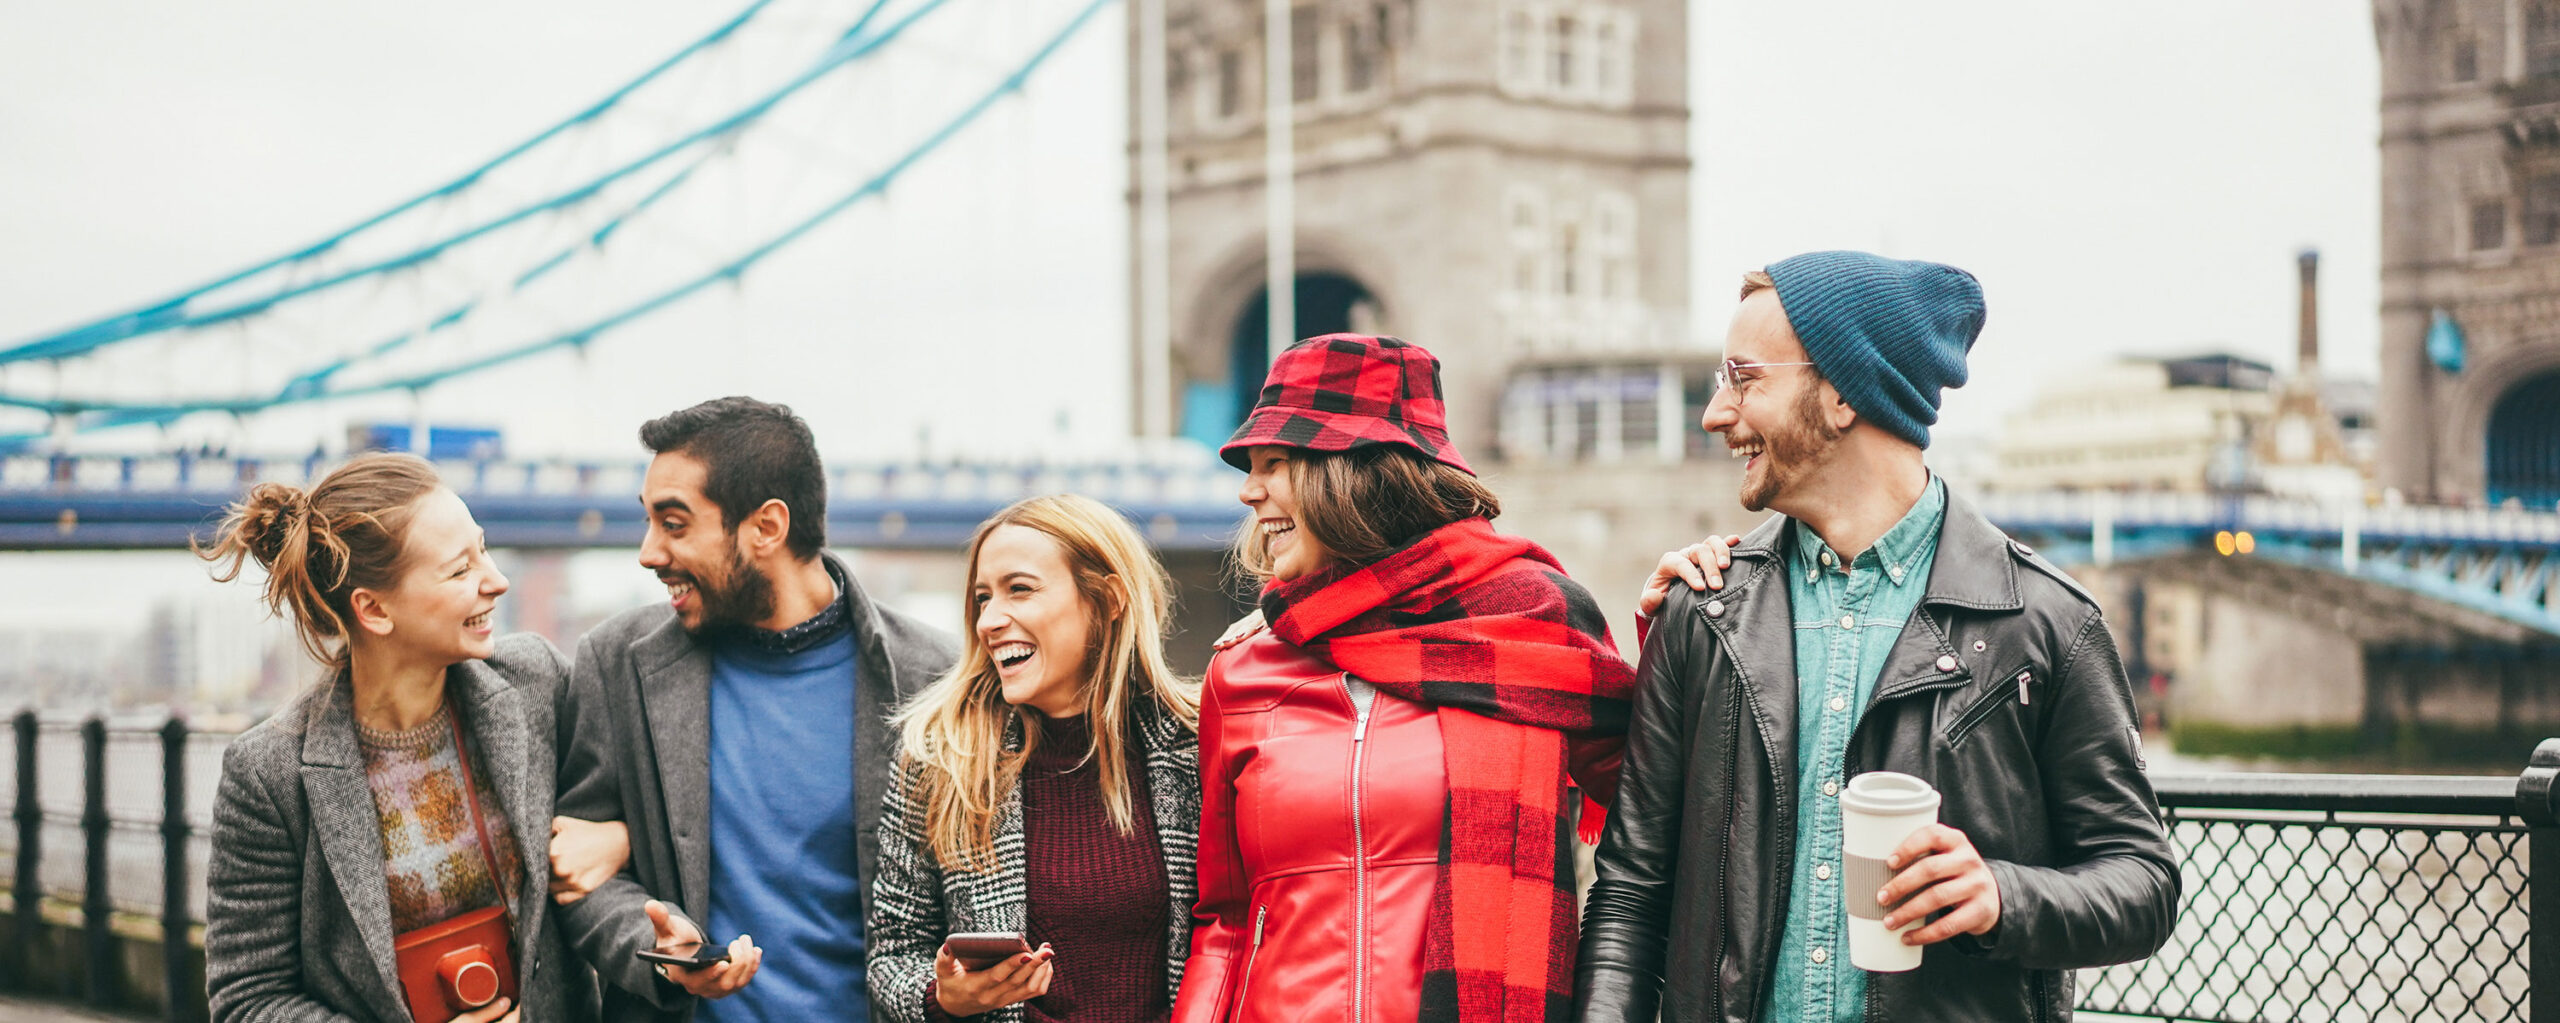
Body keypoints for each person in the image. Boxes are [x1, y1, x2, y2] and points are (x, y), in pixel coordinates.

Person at [1574, 253, 2179, 1023]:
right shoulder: (1701, 610)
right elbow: (1631, 890)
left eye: (1744, 377)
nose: (1715, 412)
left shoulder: (2048, 622)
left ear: (1839, 395)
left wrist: (2001, 893)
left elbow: (2143, 882)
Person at [1175, 334, 1634, 1023]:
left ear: (1355, 472)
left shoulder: (1533, 623)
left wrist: (1689, 619)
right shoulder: (1242, 671)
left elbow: (1667, 825)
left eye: (1275, 463)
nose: (1248, 490)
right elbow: (1226, 921)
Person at [552, 397, 959, 1022]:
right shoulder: (616, 663)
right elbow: (581, 879)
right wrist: (658, 952)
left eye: (674, 523)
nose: (648, 552)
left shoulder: (934, 677)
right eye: (649, 521)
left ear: (766, 527)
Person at [202, 452, 624, 1022]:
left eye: (484, 549)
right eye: (459, 570)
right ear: (373, 609)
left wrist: (619, 836)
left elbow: (634, 813)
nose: (496, 581)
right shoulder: (269, 773)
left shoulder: (536, 682)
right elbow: (247, 1000)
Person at [868, 494, 1202, 1023]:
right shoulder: (940, 757)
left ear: (1107, 598)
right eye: (983, 598)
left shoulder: (1198, 742)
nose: (989, 621)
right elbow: (892, 955)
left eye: (1019, 590)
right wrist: (944, 998)